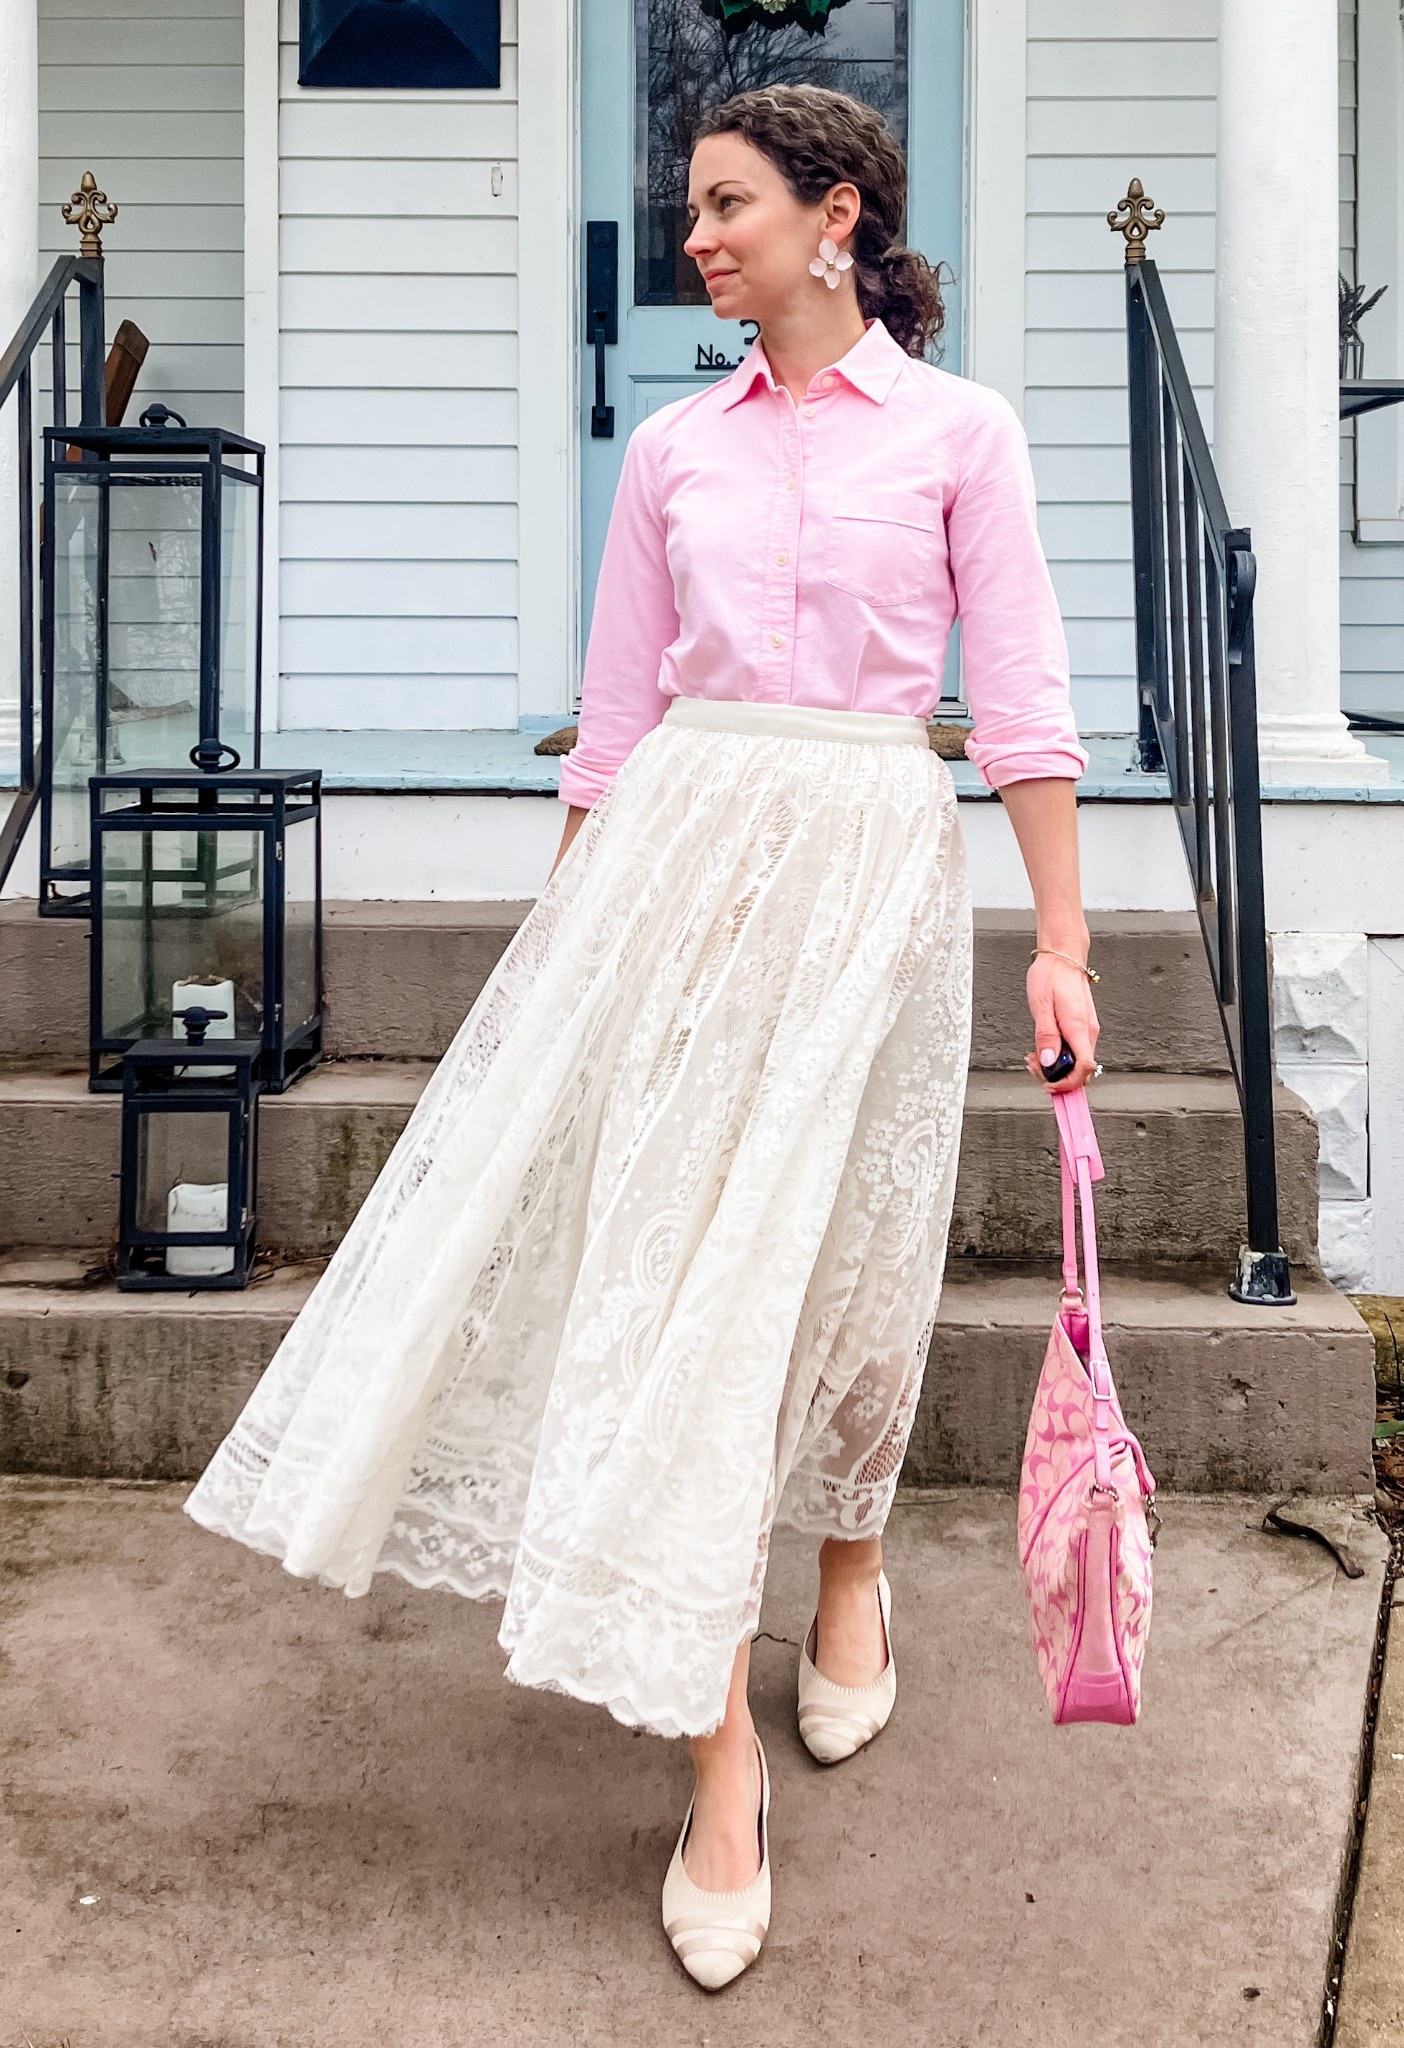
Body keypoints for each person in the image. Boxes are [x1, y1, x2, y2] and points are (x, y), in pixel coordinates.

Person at [183, 81, 1100, 1992]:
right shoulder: (673, 451)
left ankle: (847, 1572)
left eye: (725, 201)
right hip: (680, 877)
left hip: (867, 879)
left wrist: (1065, 949)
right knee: (675, 1299)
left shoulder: (961, 436)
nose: (694, 234)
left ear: (833, 214)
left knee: (839, 1265)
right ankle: (717, 1753)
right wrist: (563, 956)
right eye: (690, 205)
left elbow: (1017, 710)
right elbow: (611, 727)